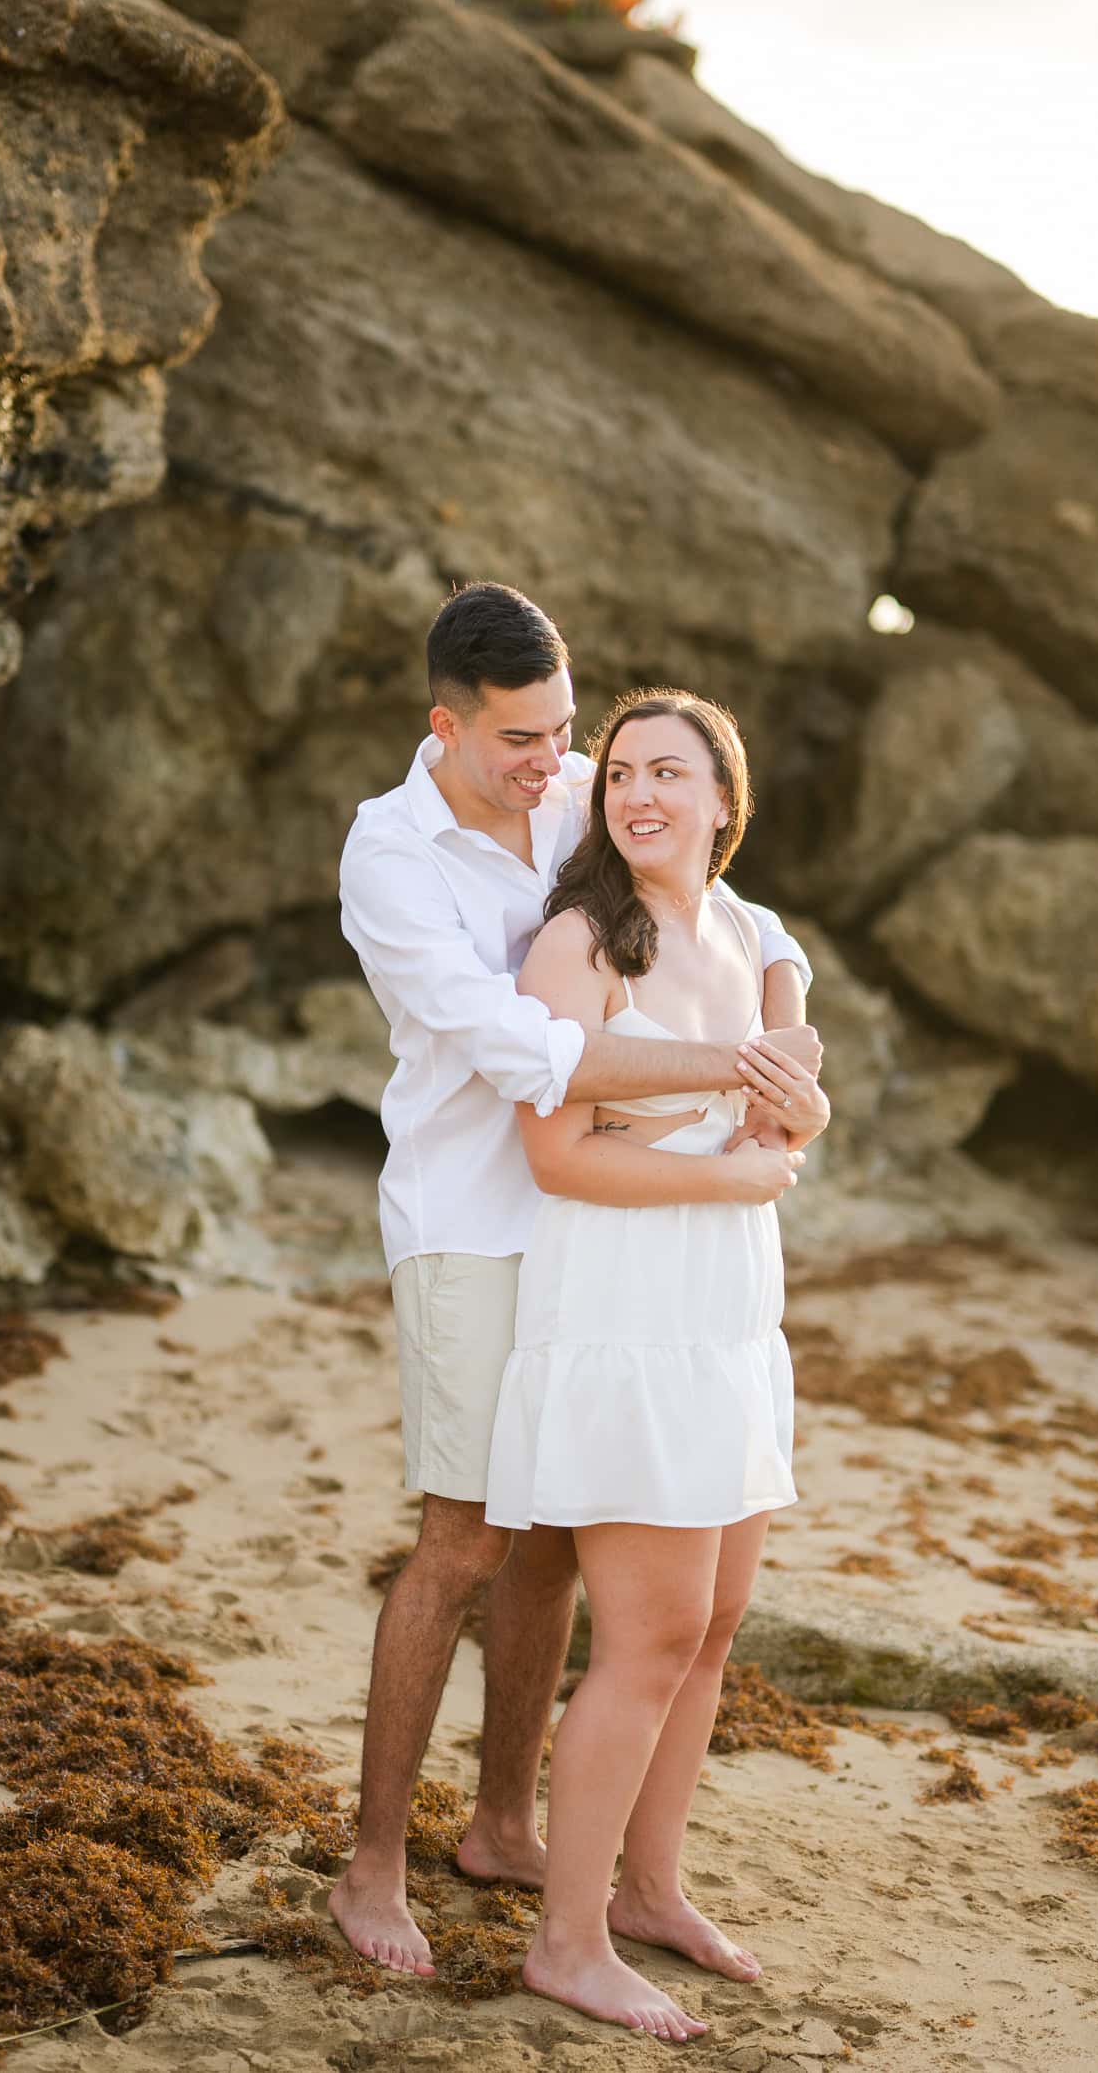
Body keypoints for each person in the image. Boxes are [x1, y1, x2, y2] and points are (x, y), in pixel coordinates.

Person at [331, 583, 821, 1978]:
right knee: (468, 1531)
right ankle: (374, 1863)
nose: (559, 767)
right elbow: (527, 1054)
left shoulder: (581, 787)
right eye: (523, 743)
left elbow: (739, 905)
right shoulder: (390, 857)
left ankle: (501, 1820)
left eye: (566, 732)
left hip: (600, 1242)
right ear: (447, 727)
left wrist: (789, 1037)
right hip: (473, 1219)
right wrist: (738, 1080)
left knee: (556, 1534)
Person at [484, 689, 830, 2041]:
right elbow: (554, 1151)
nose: (638, 791)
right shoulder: (581, 940)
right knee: (645, 1636)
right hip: (628, 1308)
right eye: (620, 770)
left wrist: (798, 1108)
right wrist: (736, 1174)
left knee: (715, 1623)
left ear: (723, 800)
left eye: (668, 771)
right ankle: (565, 1939)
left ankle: (650, 1887)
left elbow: (779, 1095)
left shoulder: (743, 935)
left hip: (730, 1315)